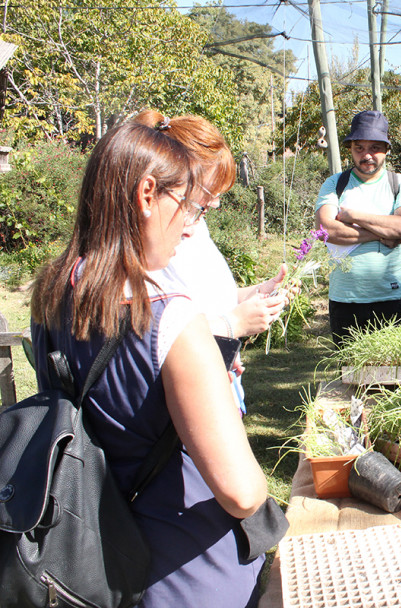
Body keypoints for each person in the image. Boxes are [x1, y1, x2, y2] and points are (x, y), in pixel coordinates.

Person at [30, 121, 272, 607]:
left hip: (97, 560)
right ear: (146, 194)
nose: (190, 224)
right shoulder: (172, 319)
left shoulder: (52, 296)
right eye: (186, 206)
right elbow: (243, 493)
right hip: (189, 573)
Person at [133, 110, 296, 415]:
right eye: (209, 190)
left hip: (217, 383)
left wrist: (258, 294)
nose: (217, 202)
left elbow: (210, 297)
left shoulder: (195, 227)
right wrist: (232, 324)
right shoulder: (158, 241)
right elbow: (156, 332)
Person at [315, 110, 401, 345]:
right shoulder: (335, 184)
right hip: (344, 302)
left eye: (374, 148)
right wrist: (380, 232)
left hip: (390, 299)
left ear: (386, 149)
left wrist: (353, 215)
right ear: (350, 149)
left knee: (393, 377)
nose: (367, 155)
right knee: (350, 377)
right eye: (359, 148)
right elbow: (326, 230)